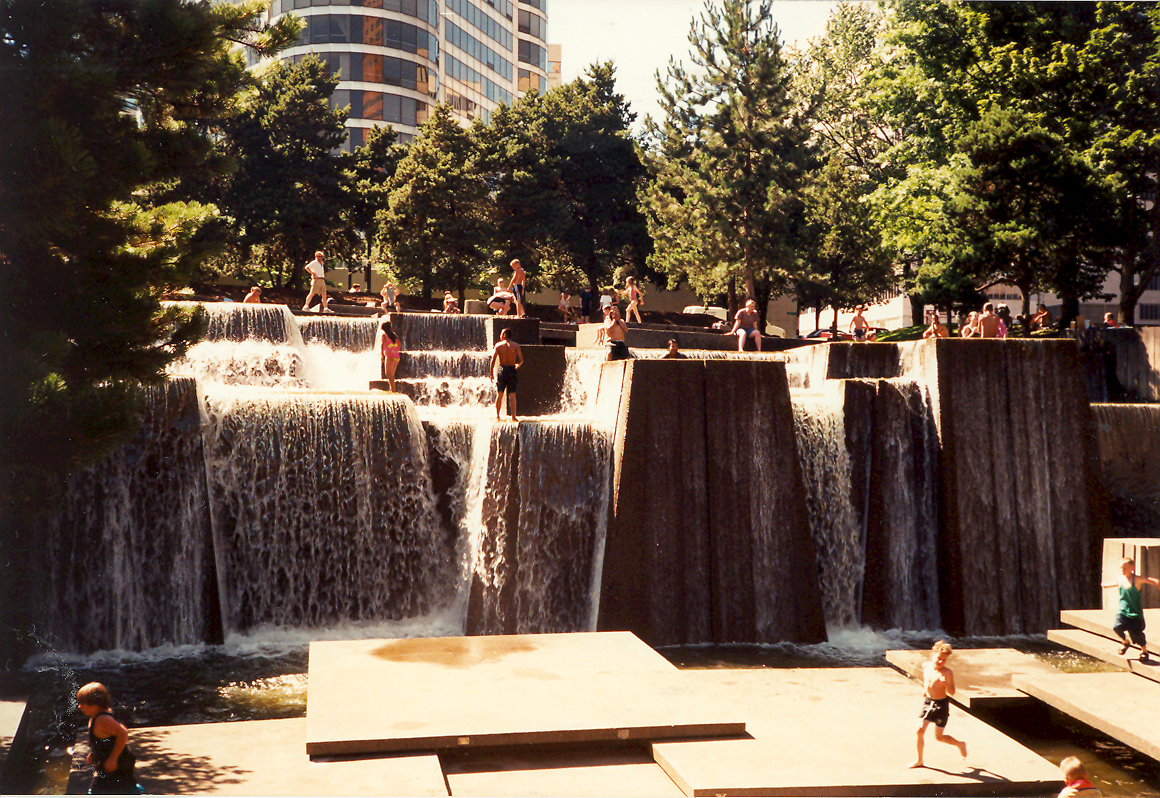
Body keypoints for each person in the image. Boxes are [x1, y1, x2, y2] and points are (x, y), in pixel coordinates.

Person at [909, 640, 967, 768]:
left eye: (944, 660)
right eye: (939, 659)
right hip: (928, 702)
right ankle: (920, 760)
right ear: (933, 655)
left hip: (941, 705)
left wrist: (946, 683)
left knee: (939, 737)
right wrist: (926, 690)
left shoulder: (947, 673)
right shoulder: (926, 666)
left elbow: (952, 692)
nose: (941, 662)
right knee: (919, 731)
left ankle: (959, 744)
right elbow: (927, 679)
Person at [76, 682, 142, 795]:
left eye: (83, 703)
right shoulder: (96, 717)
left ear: (94, 705)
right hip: (105, 760)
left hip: (117, 761)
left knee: (103, 789)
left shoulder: (103, 720)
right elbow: (99, 739)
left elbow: (123, 733)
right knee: (117, 787)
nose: (79, 706)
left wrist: (113, 758)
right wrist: (93, 753)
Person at [1102, 557, 1160, 662]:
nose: (1122, 570)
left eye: (1124, 568)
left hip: (1135, 613)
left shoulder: (1137, 579)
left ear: (1132, 568)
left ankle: (1144, 651)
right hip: (1122, 611)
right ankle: (1125, 642)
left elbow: (1155, 581)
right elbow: (1115, 583)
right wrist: (1105, 585)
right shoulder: (1120, 578)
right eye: (1121, 568)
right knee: (1117, 627)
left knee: (1137, 634)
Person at [490, 327, 523, 421]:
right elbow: (521, 359)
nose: (500, 336)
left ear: (504, 335)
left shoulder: (498, 345)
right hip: (512, 370)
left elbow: (493, 361)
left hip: (502, 369)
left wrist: (491, 373)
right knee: (512, 395)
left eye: (501, 334)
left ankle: (497, 416)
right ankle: (513, 416)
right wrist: (518, 365)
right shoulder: (515, 346)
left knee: (500, 393)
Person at [380, 321, 402, 392]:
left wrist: (382, 355)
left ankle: (393, 390)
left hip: (389, 355)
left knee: (388, 373)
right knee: (392, 374)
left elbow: (382, 345)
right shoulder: (394, 335)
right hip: (396, 356)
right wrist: (395, 350)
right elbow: (399, 344)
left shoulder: (384, 335)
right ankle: (392, 389)